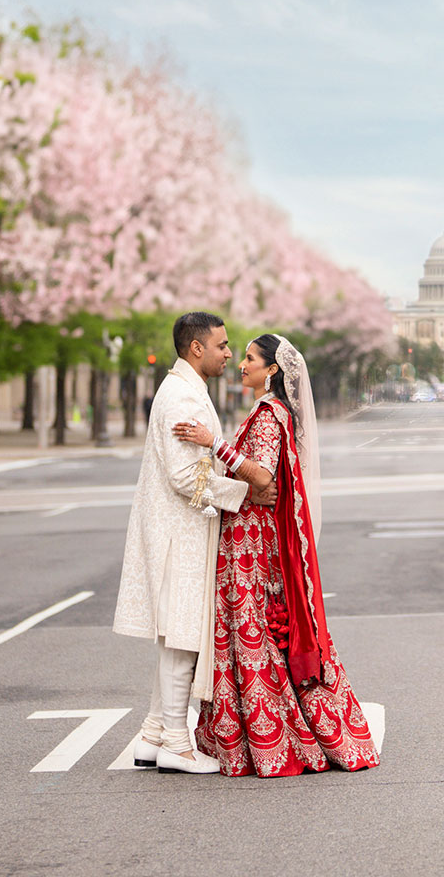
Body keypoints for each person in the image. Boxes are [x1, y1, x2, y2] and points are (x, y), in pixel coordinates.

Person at [173, 333, 379, 777]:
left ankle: (274, 742)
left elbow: (262, 475)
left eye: (249, 358)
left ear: (271, 370)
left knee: (253, 634)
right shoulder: (266, 411)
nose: (240, 363)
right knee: (251, 634)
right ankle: (258, 739)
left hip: (251, 547)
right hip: (246, 538)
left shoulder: (269, 414)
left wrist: (214, 443)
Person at [112, 312, 277, 775]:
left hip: (178, 529)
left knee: (176, 640)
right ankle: (178, 746)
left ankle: (152, 736)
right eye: (223, 346)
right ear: (196, 348)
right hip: (178, 534)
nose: (230, 353)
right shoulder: (183, 395)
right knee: (183, 640)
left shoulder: (183, 389)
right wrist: (247, 492)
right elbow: (185, 476)